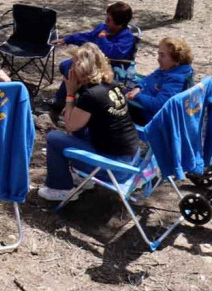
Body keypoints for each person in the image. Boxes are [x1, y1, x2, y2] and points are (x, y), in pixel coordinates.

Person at [37, 44, 141, 202]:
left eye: (72, 65)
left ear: (81, 69)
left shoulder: (91, 96)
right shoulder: (112, 86)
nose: (69, 70)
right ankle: (80, 177)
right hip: (131, 159)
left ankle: (61, 188)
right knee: (80, 130)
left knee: (53, 139)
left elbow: (70, 125)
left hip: (115, 169)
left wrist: (70, 94)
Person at [127, 37, 195, 123]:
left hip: (150, 117)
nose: (158, 59)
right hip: (144, 101)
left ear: (177, 59)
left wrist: (136, 96)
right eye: (159, 54)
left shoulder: (176, 79)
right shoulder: (168, 68)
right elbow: (149, 78)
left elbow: (159, 105)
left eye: (162, 55)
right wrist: (138, 87)